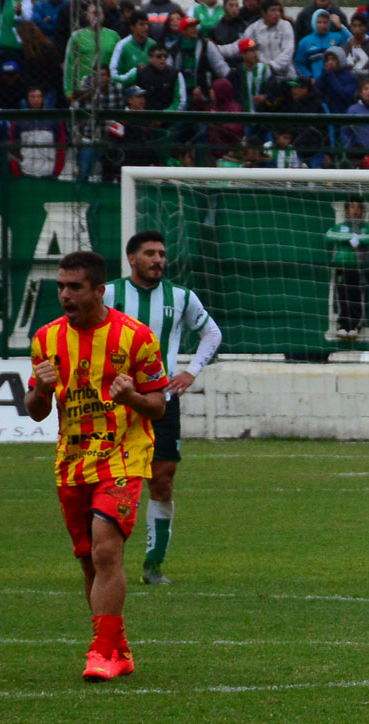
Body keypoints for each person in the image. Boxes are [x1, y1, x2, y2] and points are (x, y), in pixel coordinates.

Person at [25, 251, 168, 680]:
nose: (65, 295)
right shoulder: (45, 340)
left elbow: (158, 407)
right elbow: (34, 410)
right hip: (72, 461)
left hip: (124, 455)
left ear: (99, 290)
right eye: (60, 286)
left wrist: (131, 400)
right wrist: (42, 392)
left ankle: (101, 653)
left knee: (107, 550)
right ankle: (118, 649)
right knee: (89, 560)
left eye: (74, 287)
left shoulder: (137, 337)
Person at [102, 232, 222, 585]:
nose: (158, 260)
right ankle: (105, 557)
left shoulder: (181, 297)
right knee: (111, 482)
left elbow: (212, 334)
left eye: (162, 254)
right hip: (116, 401)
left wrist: (190, 371)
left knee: (163, 481)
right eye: (150, 253)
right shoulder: (108, 294)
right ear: (132, 259)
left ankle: (153, 565)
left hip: (161, 401)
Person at [325, 196, 369, 340]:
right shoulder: (341, 226)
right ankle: (343, 326)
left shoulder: (366, 227)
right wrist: (350, 237)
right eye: (352, 207)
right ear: (347, 210)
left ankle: (354, 326)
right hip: (342, 266)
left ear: (362, 210)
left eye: (358, 207)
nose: (355, 210)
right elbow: (329, 236)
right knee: (342, 297)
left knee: (356, 297)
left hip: (359, 268)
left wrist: (358, 238)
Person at [243, 0, 294, 78]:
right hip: (262, 76)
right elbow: (244, 47)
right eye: (273, 10)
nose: (277, 14)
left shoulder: (286, 26)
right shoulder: (253, 29)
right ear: (263, 13)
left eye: (278, 10)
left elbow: (288, 52)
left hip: (287, 75)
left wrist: (272, 66)